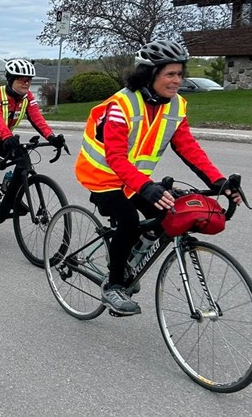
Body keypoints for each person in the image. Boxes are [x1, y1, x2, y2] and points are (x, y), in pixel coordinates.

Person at [74, 39, 241, 316]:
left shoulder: (176, 106)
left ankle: (126, 257)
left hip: (135, 177)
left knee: (169, 213)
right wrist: (145, 186)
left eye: (180, 74)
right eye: (170, 74)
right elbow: (115, 158)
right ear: (150, 75)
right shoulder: (121, 106)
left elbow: (188, 147)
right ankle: (113, 285)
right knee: (128, 220)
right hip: (101, 176)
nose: (177, 80)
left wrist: (218, 182)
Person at [0, 59, 65, 221]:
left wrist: (52, 137)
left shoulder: (27, 98)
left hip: (2, 138)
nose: (26, 84)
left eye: (29, 80)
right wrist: (7, 136)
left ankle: (10, 198)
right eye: (22, 80)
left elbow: (38, 119)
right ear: (10, 80)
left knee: (24, 162)